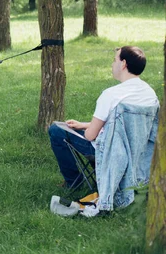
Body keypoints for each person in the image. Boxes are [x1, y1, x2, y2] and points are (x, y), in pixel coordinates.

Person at [48, 46, 159, 189]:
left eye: (114, 60)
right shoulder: (150, 94)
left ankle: (74, 182)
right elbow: (127, 125)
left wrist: (89, 129)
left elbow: (90, 136)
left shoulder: (111, 95)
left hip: (110, 152)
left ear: (123, 64)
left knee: (56, 130)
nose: (112, 64)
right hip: (137, 152)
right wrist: (84, 124)